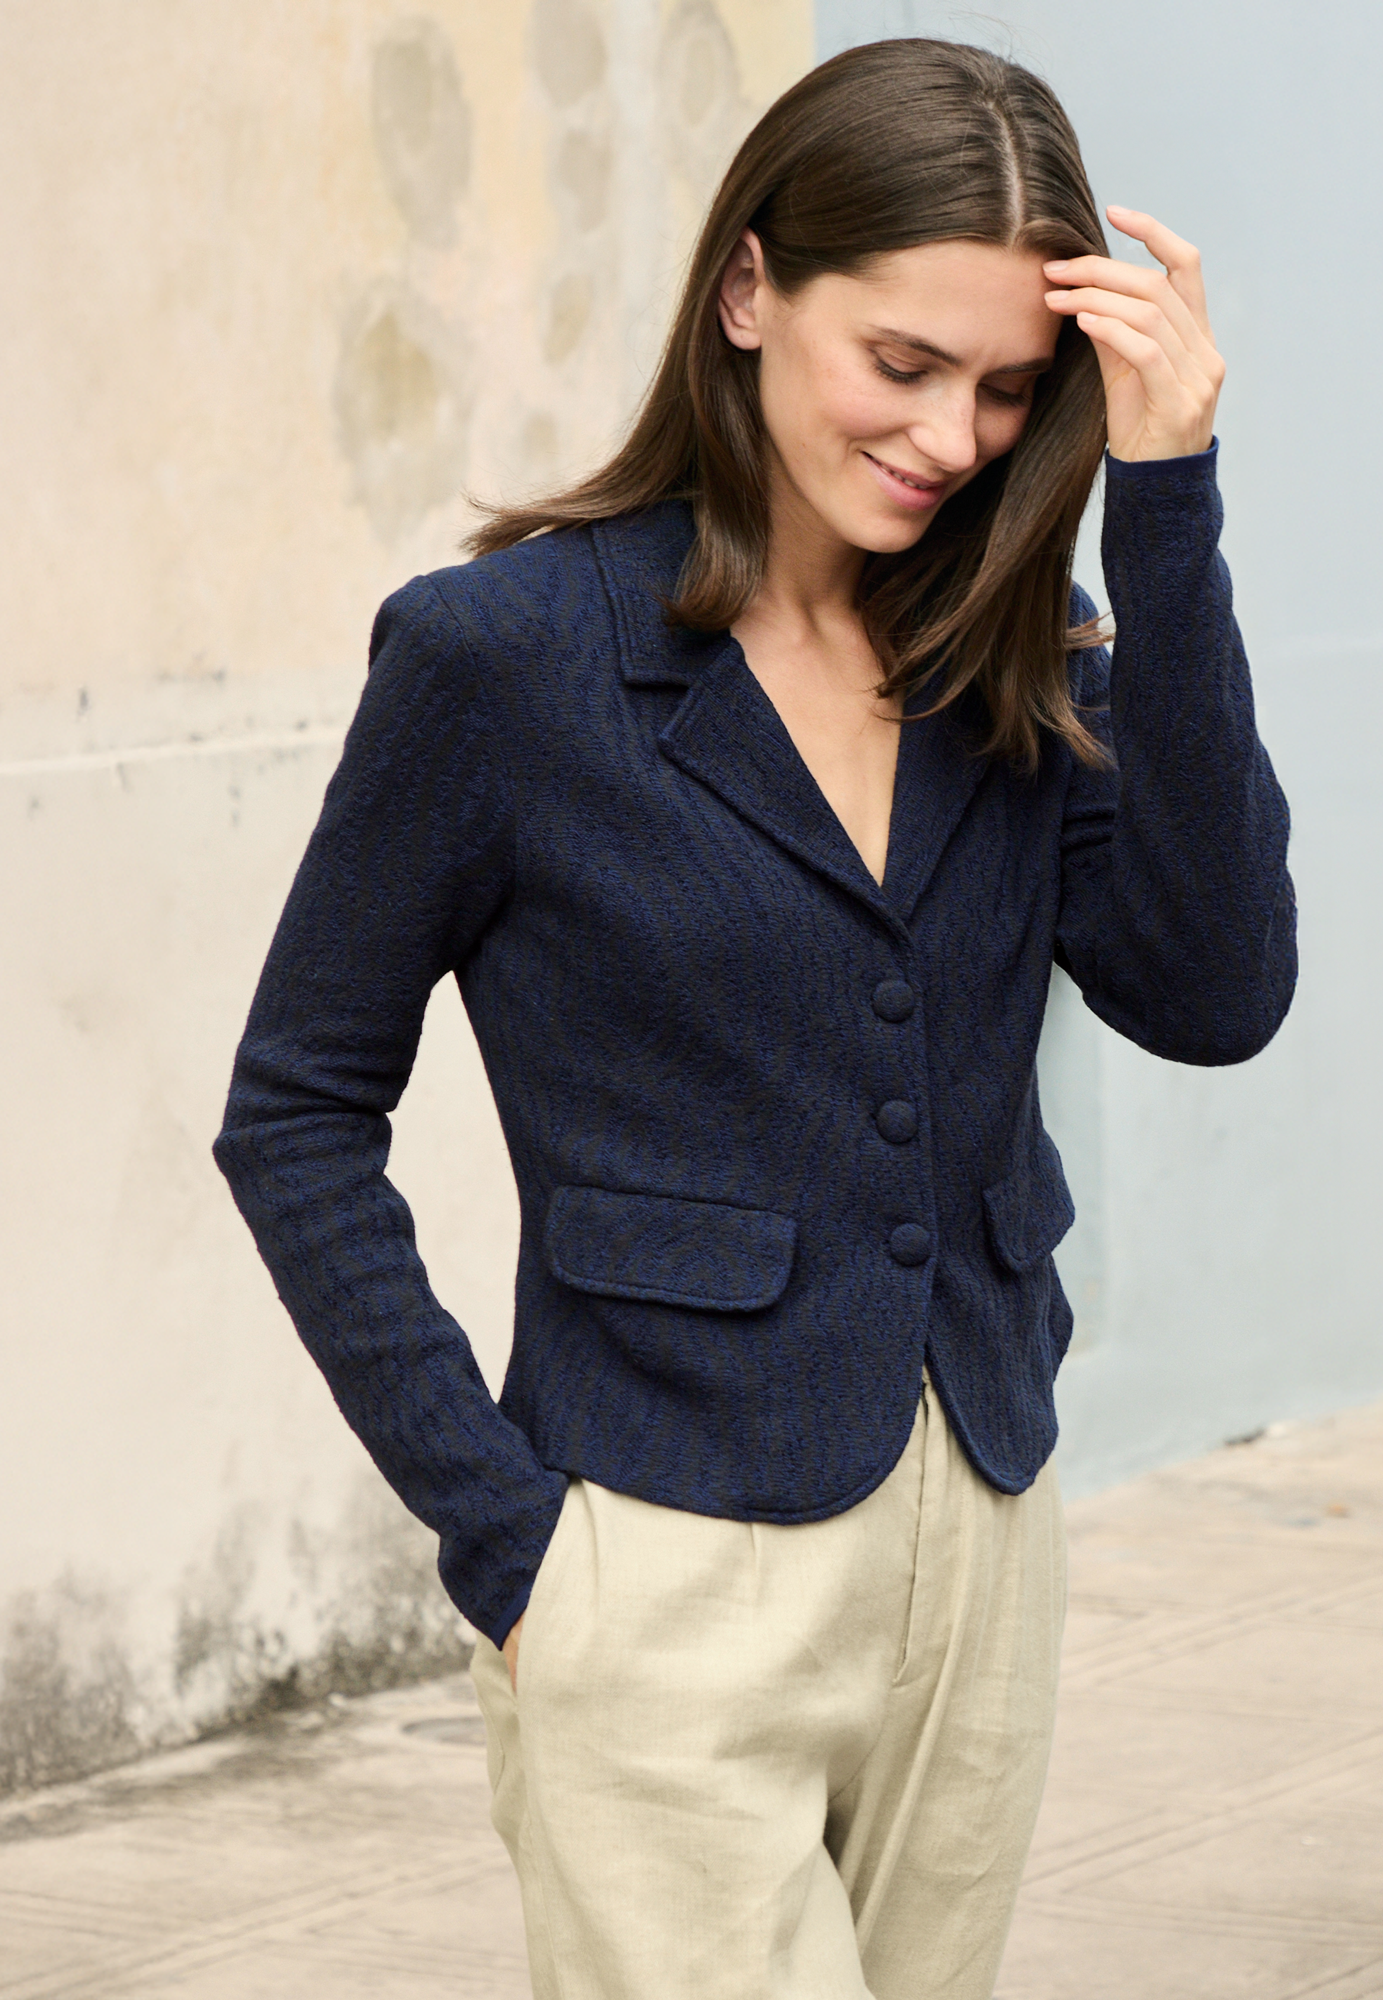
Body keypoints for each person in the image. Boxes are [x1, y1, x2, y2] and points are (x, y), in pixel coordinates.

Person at [214, 36, 1295, 2000]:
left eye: (1004, 387)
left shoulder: (1013, 660)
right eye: (902, 362)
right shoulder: (501, 661)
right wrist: (509, 1545)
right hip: (654, 1559)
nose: (953, 436)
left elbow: (1217, 994)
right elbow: (294, 1109)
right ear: (746, 290)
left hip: (981, 1531)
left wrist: (1164, 499)